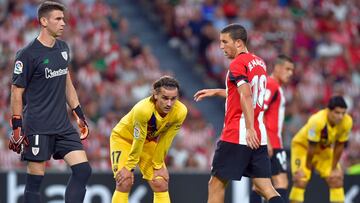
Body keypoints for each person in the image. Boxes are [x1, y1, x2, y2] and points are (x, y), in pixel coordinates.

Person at [9, 1, 91, 203]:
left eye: (63, 18)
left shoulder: (63, 48)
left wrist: (78, 114)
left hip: (62, 125)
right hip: (37, 125)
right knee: (35, 181)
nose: (63, 23)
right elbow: (16, 92)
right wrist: (17, 127)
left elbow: (66, 81)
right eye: (58, 19)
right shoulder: (27, 54)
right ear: (44, 21)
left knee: (83, 171)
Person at [194, 23, 283, 203]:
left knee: (216, 184)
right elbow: (248, 92)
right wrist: (218, 91)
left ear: (239, 43)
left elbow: (246, 95)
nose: (221, 47)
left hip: (239, 132)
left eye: (225, 42)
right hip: (259, 134)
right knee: (264, 187)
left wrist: (249, 128)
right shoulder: (259, 62)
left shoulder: (237, 63)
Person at [110, 76, 187, 203]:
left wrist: (158, 165)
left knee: (160, 182)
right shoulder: (143, 109)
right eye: (165, 98)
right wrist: (129, 167)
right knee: (124, 181)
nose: (169, 103)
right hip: (123, 139)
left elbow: (166, 140)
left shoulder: (180, 112)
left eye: (173, 99)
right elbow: (138, 138)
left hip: (147, 142)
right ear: (155, 95)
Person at [289, 96, 352, 203]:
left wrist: (333, 168)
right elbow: (311, 146)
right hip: (303, 147)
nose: (340, 116)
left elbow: (339, 145)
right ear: (328, 110)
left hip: (323, 149)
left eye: (343, 113)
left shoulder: (347, 122)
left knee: (336, 179)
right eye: (337, 112)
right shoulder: (317, 120)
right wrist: (308, 166)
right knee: (301, 179)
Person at [250, 55, 295, 203]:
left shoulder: (274, 86)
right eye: (287, 69)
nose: (290, 73)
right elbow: (259, 112)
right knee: (280, 182)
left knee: (259, 184)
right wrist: (267, 142)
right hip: (271, 142)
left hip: (270, 140)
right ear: (277, 67)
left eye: (292, 70)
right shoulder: (271, 84)